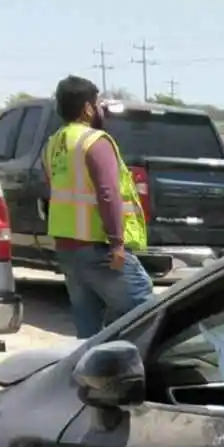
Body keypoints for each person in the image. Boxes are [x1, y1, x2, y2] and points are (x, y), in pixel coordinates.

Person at [44, 75, 153, 337]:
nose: (101, 107)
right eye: (98, 102)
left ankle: (90, 372)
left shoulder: (53, 144)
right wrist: (117, 243)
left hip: (68, 248)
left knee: (89, 329)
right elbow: (107, 193)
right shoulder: (95, 141)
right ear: (87, 107)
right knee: (147, 310)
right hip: (99, 246)